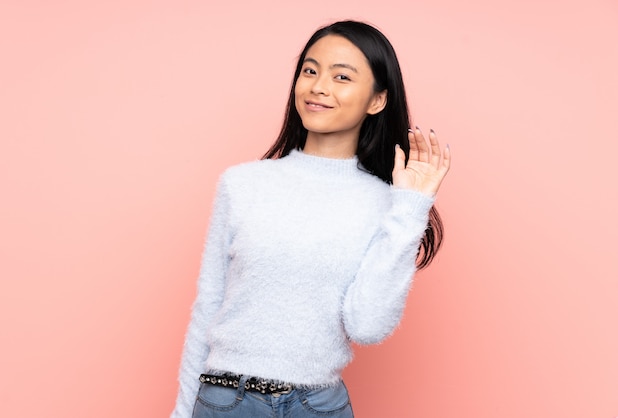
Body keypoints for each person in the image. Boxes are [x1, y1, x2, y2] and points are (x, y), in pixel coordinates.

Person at [171, 20, 451, 418]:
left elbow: (367, 326)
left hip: (318, 406)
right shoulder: (242, 184)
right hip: (227, 402)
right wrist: (183, 411)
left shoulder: (387, 204)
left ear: (377, 100)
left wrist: (410, 206)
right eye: (310, 70)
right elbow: (208, 305)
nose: (318, 86)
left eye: (341, 76)